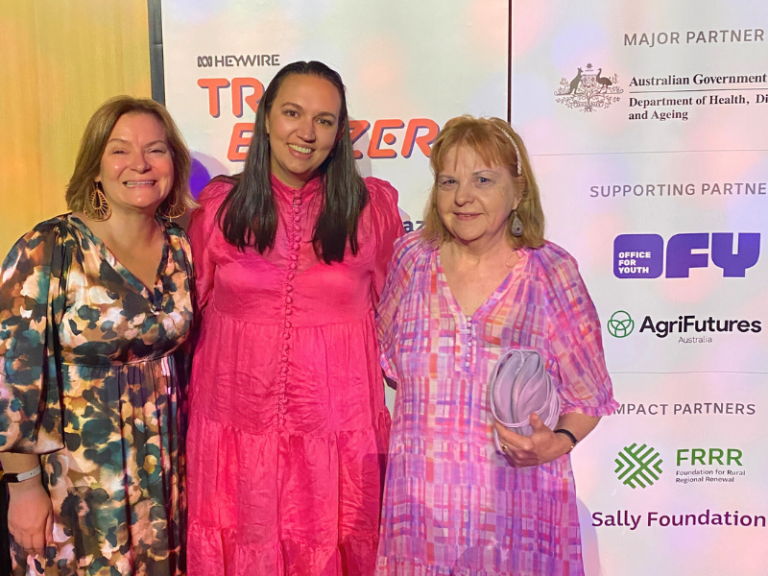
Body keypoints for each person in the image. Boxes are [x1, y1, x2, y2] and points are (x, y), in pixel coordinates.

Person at [185, 61, 403, 576]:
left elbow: (401, 316)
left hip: (336, 433)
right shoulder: (220, 207)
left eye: (325, 121)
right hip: (234, 432)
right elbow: (184, 312)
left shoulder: (372, 211)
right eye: (292, 113)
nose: (306, 132)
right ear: (264, 119)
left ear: (338, 133)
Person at [375, 115, 618, 576]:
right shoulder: (410, 260)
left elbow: (589, 396)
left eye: (483, 180)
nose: (462, 197)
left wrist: (557, 442)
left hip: (517, 520)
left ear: (518, 190)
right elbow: (387, 360)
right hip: (420, 522)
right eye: (449, 181)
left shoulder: (552, 272)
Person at [0, 96, 195, 575]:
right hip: (77, 486)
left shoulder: (181, 246)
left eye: (156, 150)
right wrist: (23, 486)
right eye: (120, 150)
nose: (140, 164)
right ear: (95, 167)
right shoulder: (48, 248)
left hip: (163, 478)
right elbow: (9, 379)